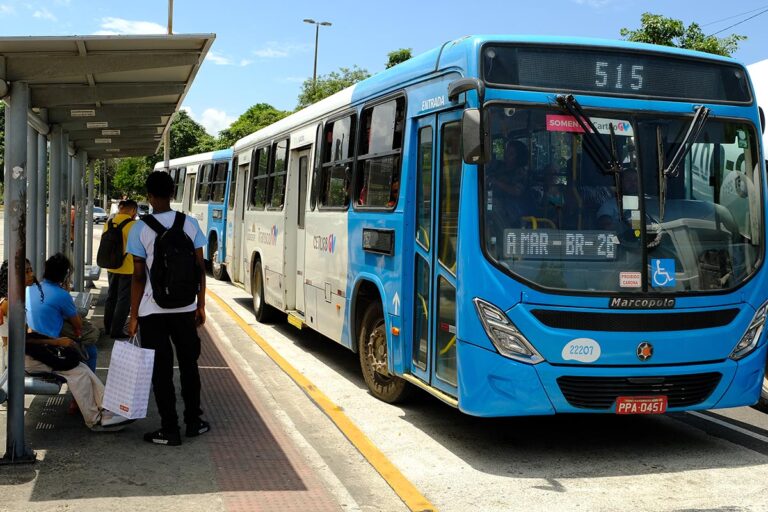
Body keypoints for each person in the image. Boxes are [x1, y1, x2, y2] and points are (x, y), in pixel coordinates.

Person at [127, 171, 209, 446]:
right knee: (189, 365)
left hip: (153, 311)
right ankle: (194, 422)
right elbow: (200, 269)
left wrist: (134, 315)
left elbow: (138, 277)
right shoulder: (191, 224)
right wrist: (201, 305)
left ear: (149, 197)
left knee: (161, 370)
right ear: (173, 194)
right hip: (185, 308)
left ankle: (169, 429)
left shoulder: (139, 229)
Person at [0, 260, 131, 431]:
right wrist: (55, 342)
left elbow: (26, 335)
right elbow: (17, 343)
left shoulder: (17, 298)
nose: (31, 274)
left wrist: (52, 341)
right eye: (26, 272)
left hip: (27, 354)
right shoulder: (6, 304)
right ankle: (94, 419)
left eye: (31, 270)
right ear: (14, 277)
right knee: (77, 373)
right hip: (21, 358)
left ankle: (106, 406)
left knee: (81, 366)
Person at [26, 253, 100, 373]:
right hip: (52, 343)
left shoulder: (29, 289)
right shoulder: (61, 295)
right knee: (91, 351)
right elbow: (78, 325)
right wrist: (65, 291)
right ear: (64, 275)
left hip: (33, 338)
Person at [103, 199, 138, 338]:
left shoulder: (109, 223)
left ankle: (107, 327)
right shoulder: (134, 225)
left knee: (111, 297)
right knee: (123, 300)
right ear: (133, 210)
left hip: (111, 266)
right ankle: (116, 330)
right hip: (127, 267)